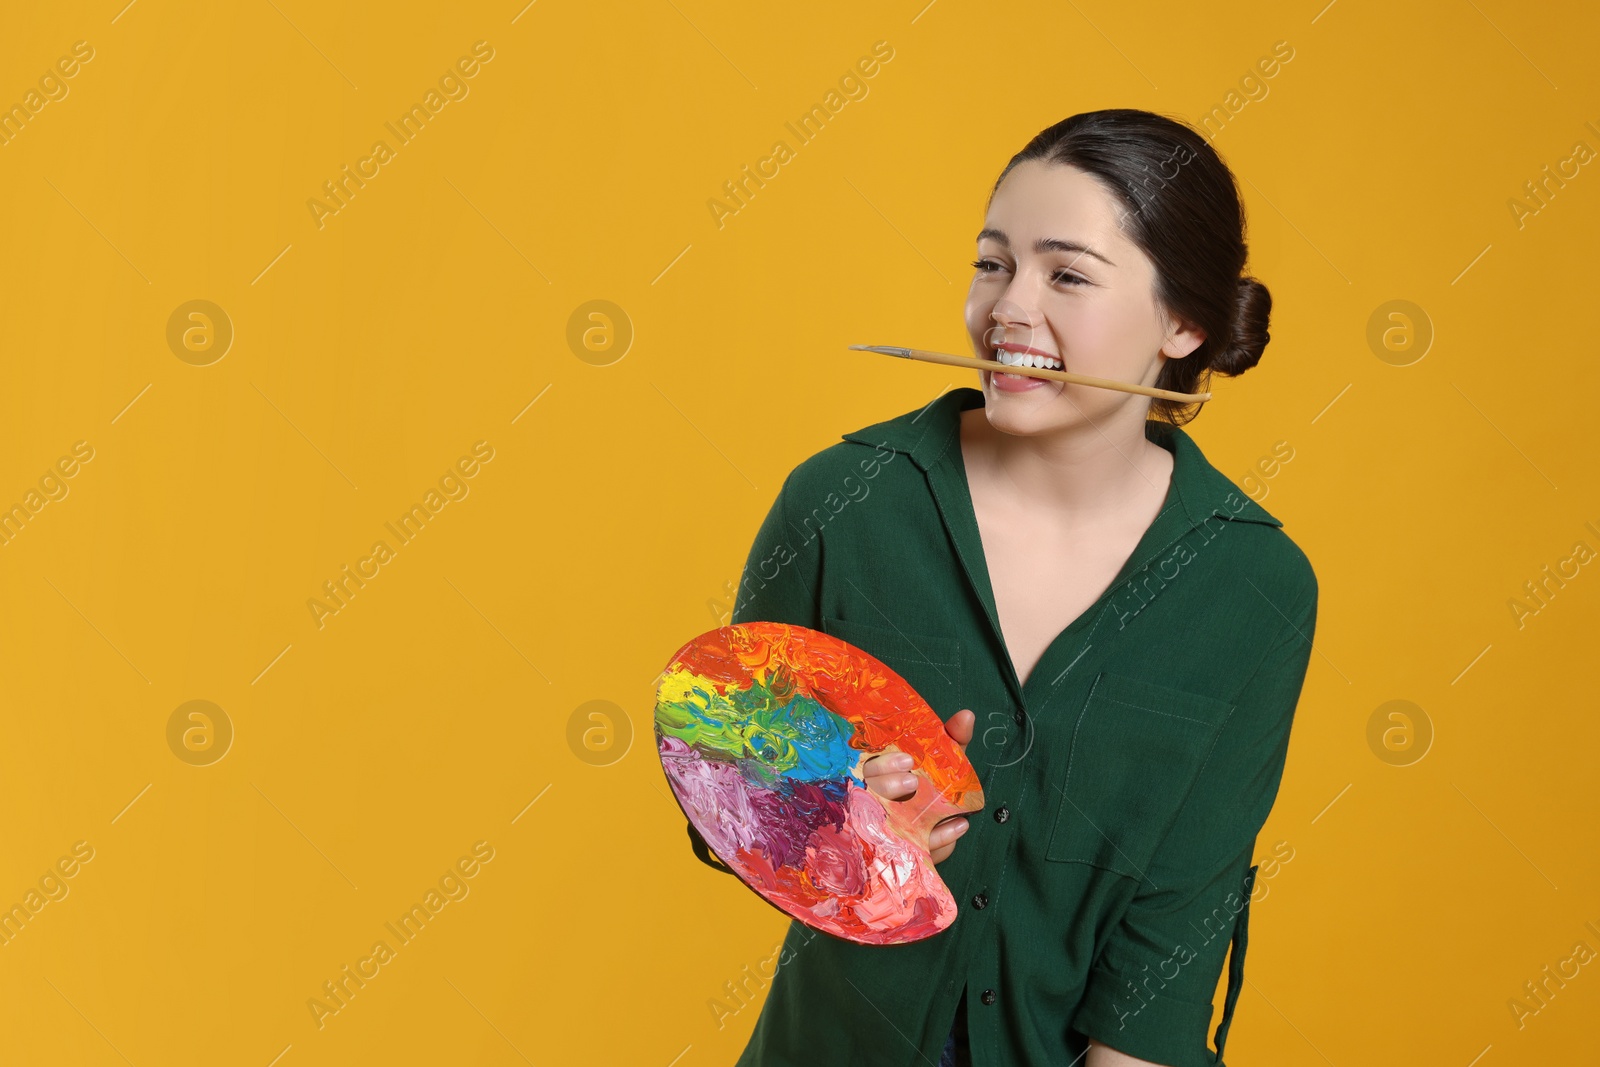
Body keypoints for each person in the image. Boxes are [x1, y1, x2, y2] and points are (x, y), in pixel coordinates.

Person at [685, 108, 1319, 1067]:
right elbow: (722, 785)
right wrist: (831, 814)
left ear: (1184, 322)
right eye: (993, 263)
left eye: (1067, 274)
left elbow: (1179, 924)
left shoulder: (1255, 586)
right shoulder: (842, 502)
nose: (1009, 309)